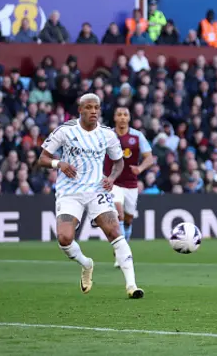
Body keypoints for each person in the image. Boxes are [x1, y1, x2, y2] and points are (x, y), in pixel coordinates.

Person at [37, 94, 144, 299]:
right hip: (70, 191)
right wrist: (58, 164)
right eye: (89, 107)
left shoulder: (107, 135)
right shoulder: (66, 131)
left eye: (96, 107)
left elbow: (118, 162)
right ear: (80, 110)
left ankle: (132, 286)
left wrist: (112, 178)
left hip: (97, 190)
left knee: (115, 231)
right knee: (64, 238)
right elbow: (42, 158)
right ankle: (86, 264)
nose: (93, 111)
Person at [104, 107, 153, 263]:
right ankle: (122, 254)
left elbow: (149, 158)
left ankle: (122, 246)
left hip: (131, 184)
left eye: (125, 114)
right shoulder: (107, 135)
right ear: (115, 118)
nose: (122, 117)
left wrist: (140, 168)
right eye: (119, 114)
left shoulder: (137, 136)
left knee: (128, 220)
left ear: (129, 118)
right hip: (113, 182)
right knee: (119, 214)